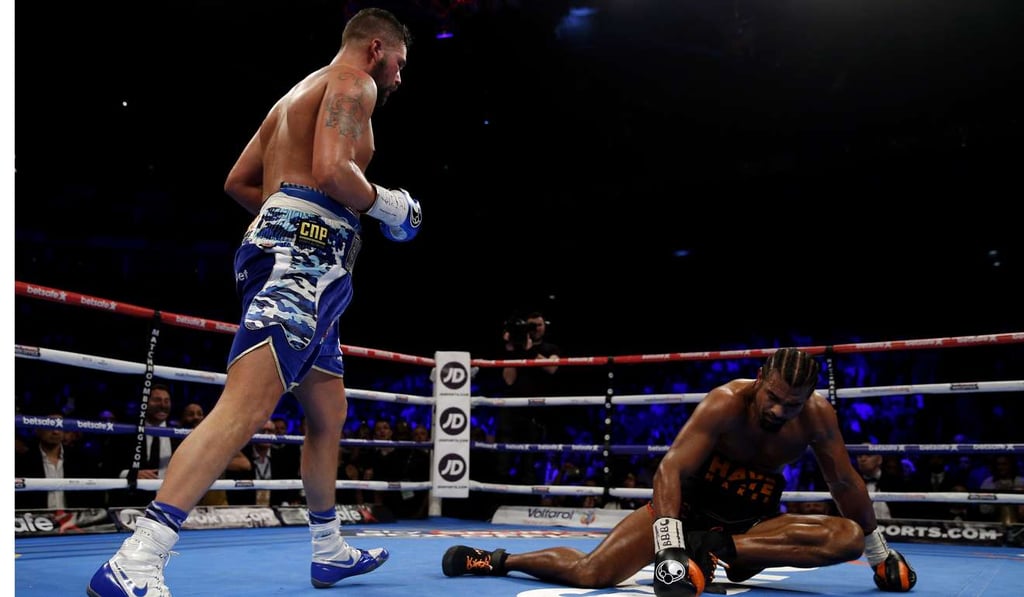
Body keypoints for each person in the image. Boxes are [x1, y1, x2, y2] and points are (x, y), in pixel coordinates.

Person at [86, 8, 420, 597]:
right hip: (305, 262)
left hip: (300, 257)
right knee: (245, 406)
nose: (398, 78)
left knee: (328, 412)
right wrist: (393, 208)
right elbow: (331, 171)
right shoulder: (354, 81)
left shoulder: (294, 97)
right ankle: (137, 556)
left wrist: (281, 221)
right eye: (399, 63)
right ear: (376, 49)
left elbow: (240, 183)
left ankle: (328, 549)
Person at [442, 348, 917, 595]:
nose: (778, 409)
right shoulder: (726, 403)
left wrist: (880, 555)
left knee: (848, 536)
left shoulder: (816, 417)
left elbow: (844, 483)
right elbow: (670, 469)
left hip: (750, 531)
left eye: (791, 404)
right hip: (683, 513)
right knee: (592, 573)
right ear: (760, 380)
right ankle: (499, 559)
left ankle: (714, 551)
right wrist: (670, 547)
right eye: (772, 397)